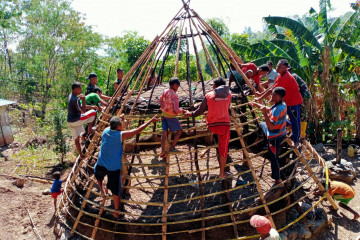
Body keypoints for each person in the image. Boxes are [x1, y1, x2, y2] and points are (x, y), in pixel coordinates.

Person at [94, 115, 159, 218]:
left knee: (98, 174)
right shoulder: (120, 135)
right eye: (121, 124)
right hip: (113, 167)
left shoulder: (106, 130)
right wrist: (151, 120)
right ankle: (116, 211)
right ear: (119, 126)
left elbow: (112, 122)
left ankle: (102, 191)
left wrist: (120, 118)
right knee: (115, 190)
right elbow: (138, 130)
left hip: (101, 162)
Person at [185, 77, 232, 179]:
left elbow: (200, 111)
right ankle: (221, 173)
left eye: (213, 85)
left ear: (215, 85)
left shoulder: (208, 95)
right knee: (223, 150)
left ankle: (221, 171)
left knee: (216, 141)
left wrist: (190, 114)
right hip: (224, 126)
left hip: (212, 125)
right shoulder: (229, 95)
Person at [255, 59, 303, 147]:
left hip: (294, 102)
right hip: (288, 102)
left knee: (295, 121)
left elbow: (273, 90)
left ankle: (296, 141)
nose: (277, 68)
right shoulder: (281, 75)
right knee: (285, 118)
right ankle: (292, 132)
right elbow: (273, 86)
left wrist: (260, 97)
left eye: (279, 67)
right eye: (277, 66)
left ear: (284, 68)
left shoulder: (286, 77)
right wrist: (261, 94)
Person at [251, 87, 287, 187]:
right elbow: (270, 109)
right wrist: (258, 105)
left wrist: (264, 113)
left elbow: (271, 126)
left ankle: (278, 179)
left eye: (274, 94)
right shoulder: (282, 104)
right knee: (262, 124)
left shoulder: (277, 109)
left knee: (273, 158)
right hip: (282, 132)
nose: (271, 96)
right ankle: (263, 139)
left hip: (275, 136)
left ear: (279, 96)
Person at [67, 82, 97, 159]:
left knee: (76, 139)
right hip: (77, 120)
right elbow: (83, 111)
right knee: (93, 112)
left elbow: (78, 107)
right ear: (76, 89)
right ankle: (90, 130)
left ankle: (81, 155)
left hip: (70, 122)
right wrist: (83, 100)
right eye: (80, 88)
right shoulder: (76, 99)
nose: (81, 90)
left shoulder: (70, 96)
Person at [159, 77, 185, 158]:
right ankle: (172, 147)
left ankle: (163, 150)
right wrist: (182, 111)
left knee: (164, 133)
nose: (177, 88)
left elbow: (160, 100)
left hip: (163, 114)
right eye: (177, 86)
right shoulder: (174, 95)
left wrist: (164, 107)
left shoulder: (165, 91)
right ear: (175, 85)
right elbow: (176, 110)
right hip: (171, 116)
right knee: (180, 131)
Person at [287, 66, 311, 139]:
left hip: (303, 97)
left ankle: (301, 134)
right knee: (298, 114)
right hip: (302, 96)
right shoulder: (293, 76)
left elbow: (295, 89)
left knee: (300, 114)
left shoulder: (292, 77)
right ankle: (299, 133)